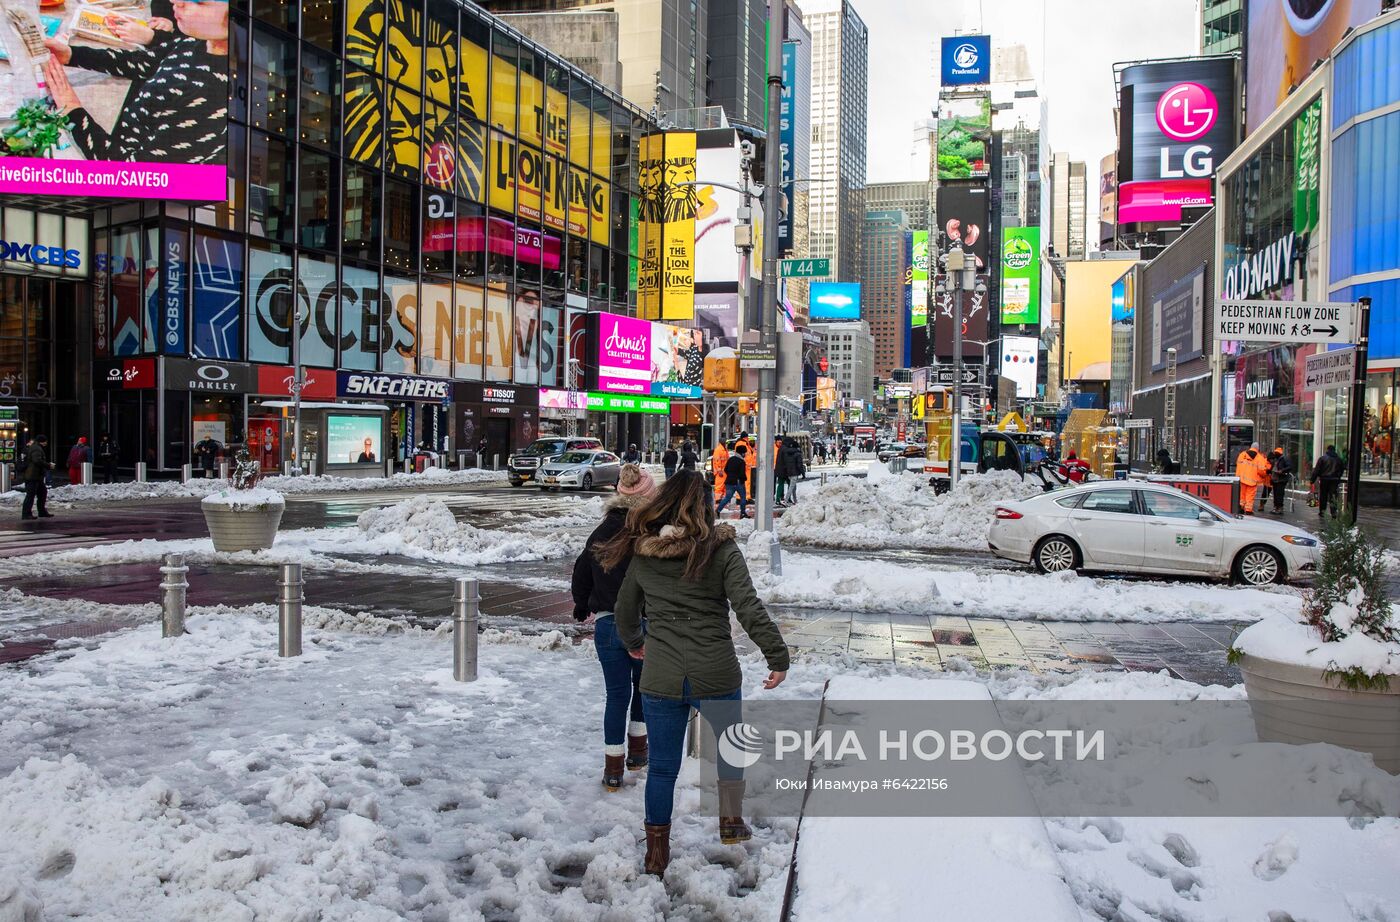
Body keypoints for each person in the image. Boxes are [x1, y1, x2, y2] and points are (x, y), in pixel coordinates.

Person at [599, 471, 790, 875]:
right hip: (717, 671)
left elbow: (624, 610)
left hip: (661, 676)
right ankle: (730, 821)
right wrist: (777, 656)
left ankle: (656, 852)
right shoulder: (721, 550)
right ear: (704, 505)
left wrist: (635, 642)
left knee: (663, 769)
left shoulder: (643, 552)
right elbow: (748, 607)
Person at [42, 1, 230, 166]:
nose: (175, 1)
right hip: (121, 134)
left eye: (200, 2)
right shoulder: (198, 39)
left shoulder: (211, 97)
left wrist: (71, 108)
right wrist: (71, 55)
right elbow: (142, 62)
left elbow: (130, 173)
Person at [571, 463, 658, 792]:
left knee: (615, 697)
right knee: (643, 690)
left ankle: (612, 769)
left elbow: (581, 571)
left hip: (608, 626)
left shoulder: (602, 530)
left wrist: (582, 605)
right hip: (645, 624)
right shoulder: (651, 533)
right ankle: (638, 753)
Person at [21, 435, 55, 520]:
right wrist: (48, 465)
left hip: (36, 476)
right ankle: (26, 514)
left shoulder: (35, 447)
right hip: (33, 476)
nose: (46, 443)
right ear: (42, 441)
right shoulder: (37, 448)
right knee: (31, 495)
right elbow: (37, 460)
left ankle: (42, 511)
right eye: (45, 441)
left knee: (42, 492)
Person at [715, 443, 750, 518]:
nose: (745, 454)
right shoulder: (742, 462)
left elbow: (726, 469)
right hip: (738, 482)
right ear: (742, 453)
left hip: (729, 482)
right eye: (744, 453)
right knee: (743, 497)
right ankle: (743, 513)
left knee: (727, 497)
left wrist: (731, 475)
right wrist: (744, 479)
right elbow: (741, 474)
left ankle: (718, 510)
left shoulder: (730, 459)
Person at [1310, 445, 1344, 518]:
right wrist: (1338, 477)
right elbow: (1342, 469)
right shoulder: (1338, 459)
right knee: (1333, 496)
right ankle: (1333, 512)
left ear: (1327, 450)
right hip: (1334, 480)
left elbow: (1317, 470)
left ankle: (1322, 511)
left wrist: (1312, 480)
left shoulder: (1322, 458)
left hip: (1324, 479)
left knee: (1323, 496)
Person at [1235, 442, 1268, 515]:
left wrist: (1238, 476)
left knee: (1242, 494)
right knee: (1250, 495)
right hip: (1252, 480)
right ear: (1258, 448)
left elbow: (1238, 465)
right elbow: (1262, 471)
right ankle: (1248, 509)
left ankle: (1241, 507)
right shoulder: (1259, 457)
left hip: (1242, 479)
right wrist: (1264, 475)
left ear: (1251, 447)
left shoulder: (1242, 454)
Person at [776, 435, 806, 507]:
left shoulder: (782, 448)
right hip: (784, 470)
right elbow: (787, 460)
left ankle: (782, 499)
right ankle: (784, 499)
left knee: (783, 484)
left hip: (781, 468)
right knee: (786, 485)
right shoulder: (785, 449)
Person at [1269, 447, 1292, 515]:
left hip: (1281, 479)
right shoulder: (1277, 459)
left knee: (1279, 494)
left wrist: (1282, 471)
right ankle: (1276, 507)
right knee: (1276, 494)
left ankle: (1279, 507)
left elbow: (1289, 467)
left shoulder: (1284, 459)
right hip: (1275, 479)